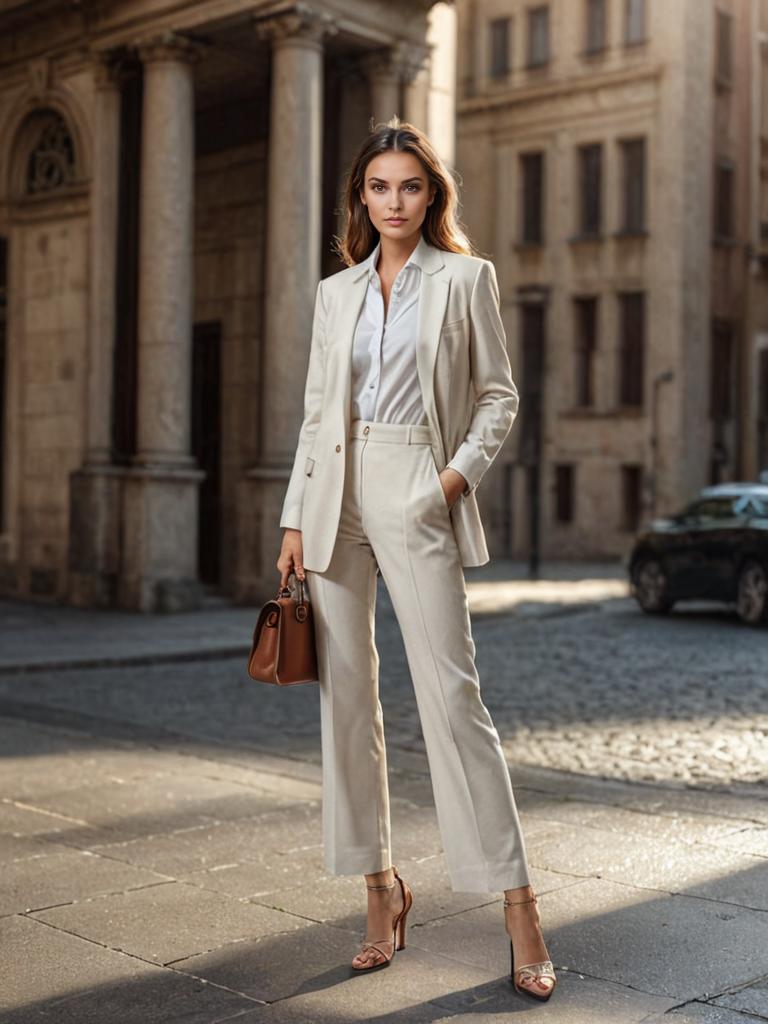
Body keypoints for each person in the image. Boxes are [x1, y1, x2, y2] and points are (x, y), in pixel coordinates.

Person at [276, 117, 556, 1000]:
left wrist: (451, 481)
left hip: (415, 482)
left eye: (409, 187)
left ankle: (518, 905)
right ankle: (379, 890)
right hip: (334, 494)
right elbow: (319, 413)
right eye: (377, 188)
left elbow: (499, 396)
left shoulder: (466, 280)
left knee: (453, 696)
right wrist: (293, 516)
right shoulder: (336, 293)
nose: (393, 202)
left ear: (431, 195)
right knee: (347, 699)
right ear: (361, 198)